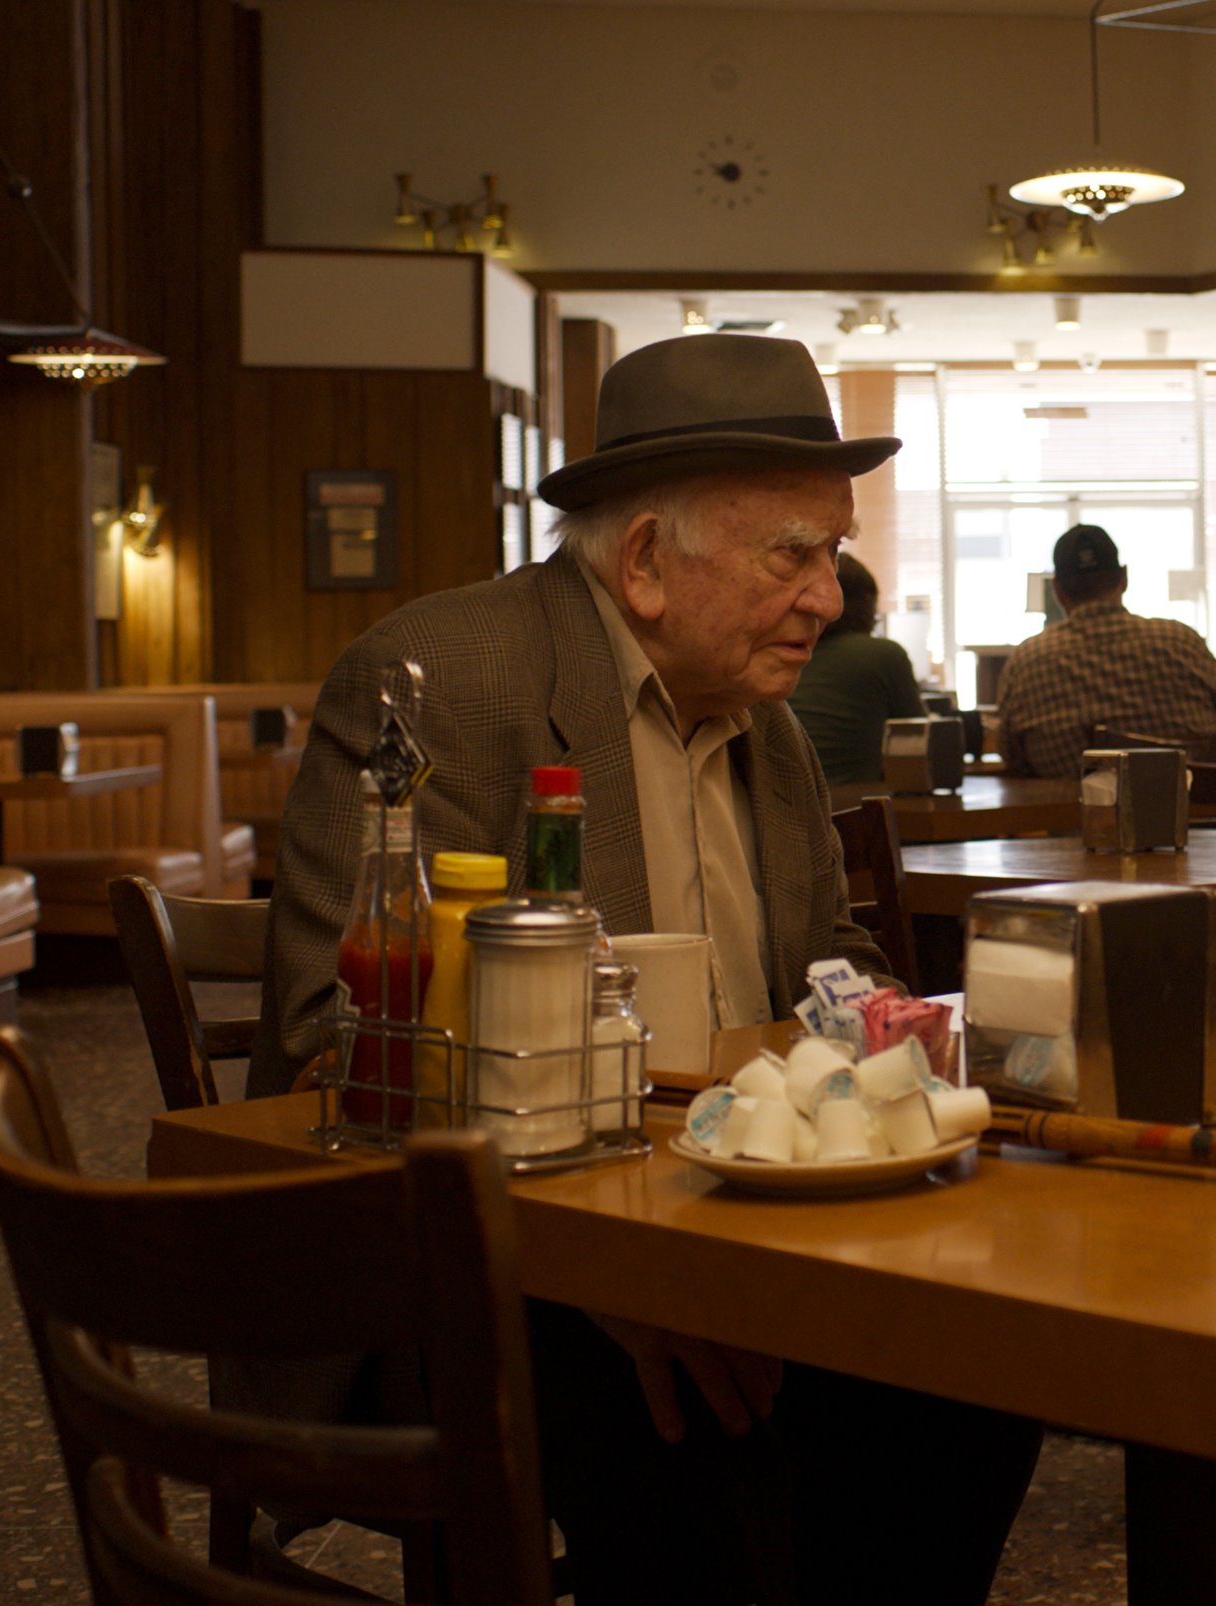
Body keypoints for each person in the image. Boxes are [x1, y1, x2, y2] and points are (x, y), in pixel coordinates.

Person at [250, 334, 1040, 1605]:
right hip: (481, 1265)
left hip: (746, 1232)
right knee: (689, 1424)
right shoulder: (434, 682)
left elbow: (829, 965)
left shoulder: (764, 724)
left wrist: (933, 1044)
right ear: (643, 564)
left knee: (986, 1368)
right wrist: (615, 1273)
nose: (830, 598)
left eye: (831, 554)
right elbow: (338, 1047)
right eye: (795, 554)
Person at [996, 522, 1216, 777]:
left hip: (1074, 814)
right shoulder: (1182, 641)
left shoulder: (1028, 660)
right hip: (1198, 811)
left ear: (1057, 590)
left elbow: (1012, 756)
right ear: (1124, 579)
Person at [786, 551, 926, 784]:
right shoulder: (885, 655)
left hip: (787, 805)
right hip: (858, 807)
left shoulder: (788, 656)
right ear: (868, 605)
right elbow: (917, 739)